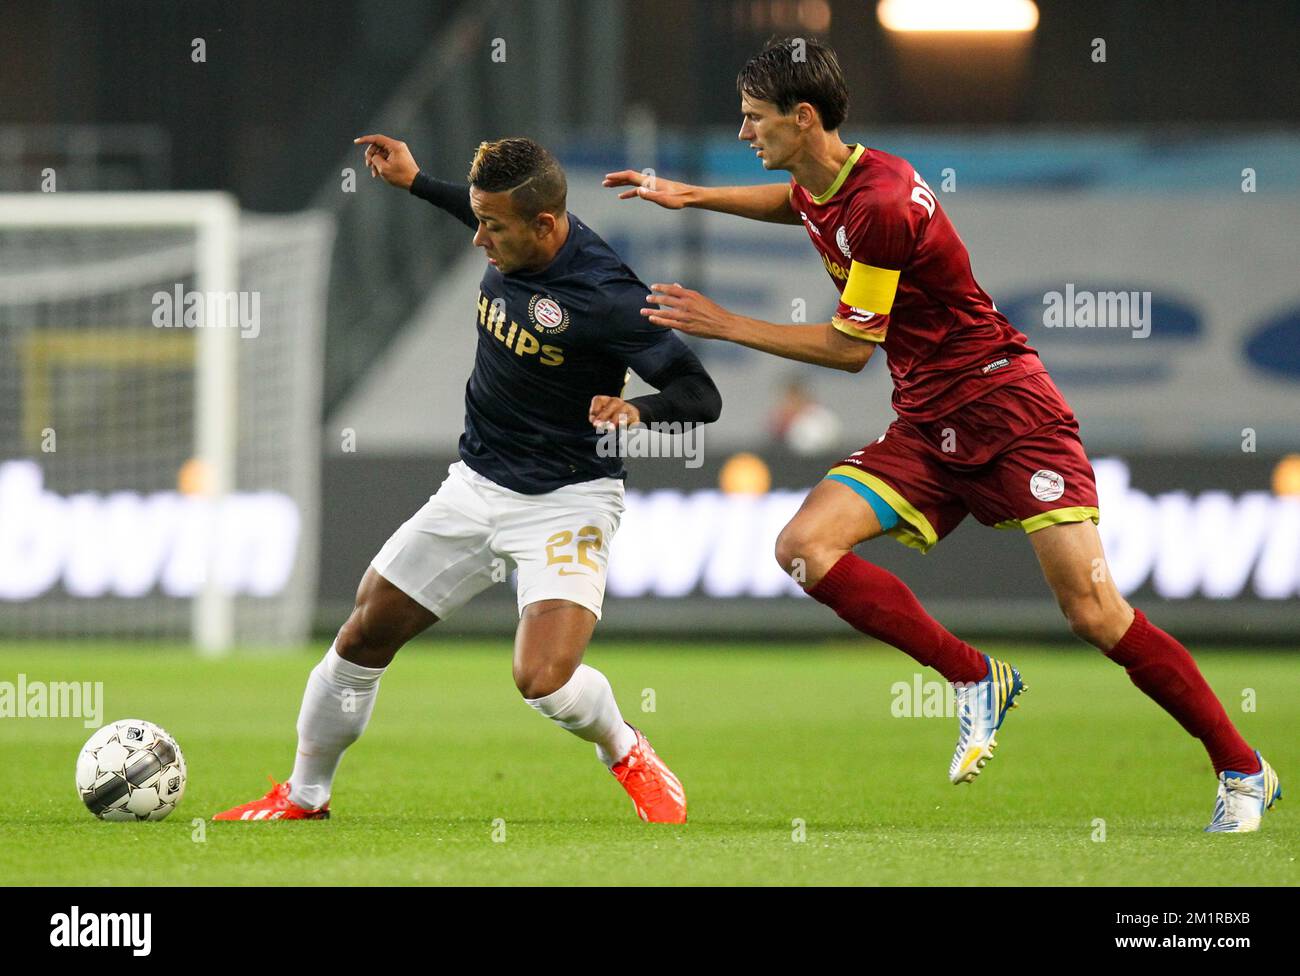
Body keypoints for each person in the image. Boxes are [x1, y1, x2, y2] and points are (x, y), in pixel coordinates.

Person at [603, 37, 1279, 833]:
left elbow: (851, 351)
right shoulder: (832, 178)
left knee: (1096, 614)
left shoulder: (881, 205)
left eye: (755, 120)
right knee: (804, 547)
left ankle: (1243, 769)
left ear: (804, 118)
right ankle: (974, 679)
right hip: (928, 423)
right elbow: (802, 206)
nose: (745, 133)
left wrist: (725, 324)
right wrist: (690, 195)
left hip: (1009, 413)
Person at [214, 135, 722, 824]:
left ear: (545, 225)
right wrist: (418, 182)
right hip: (477, 483)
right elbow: (478, 214)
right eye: (478, 218)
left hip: (568, 498)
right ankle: (305, 794)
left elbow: (701, 393)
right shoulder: (511, 229)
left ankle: (626, 748)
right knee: (363, 633)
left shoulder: (607, 297)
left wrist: (639, 407)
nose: (480, 237)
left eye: (494, 226)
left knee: (543, 681)